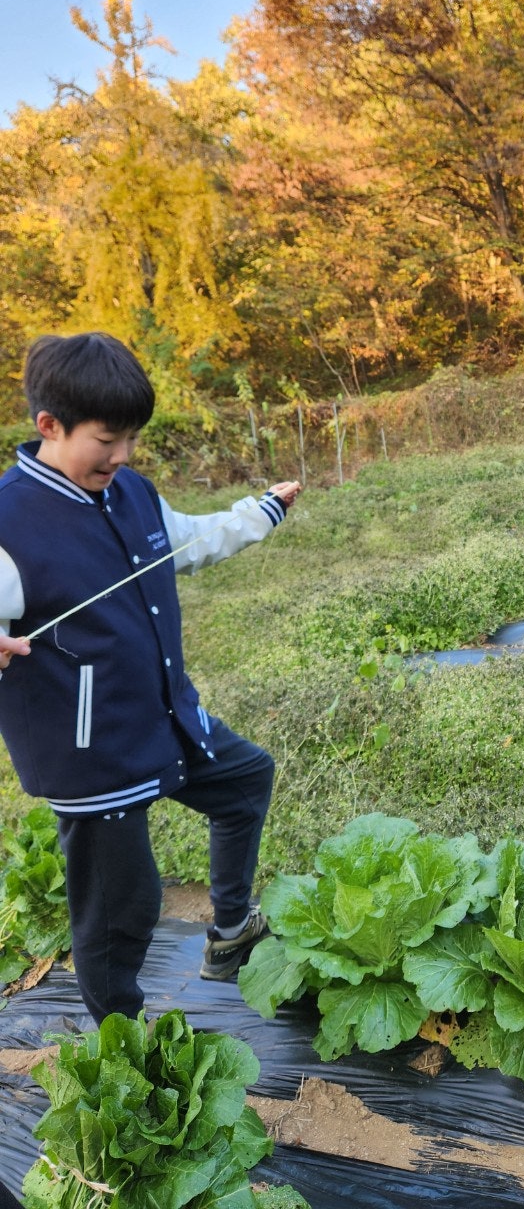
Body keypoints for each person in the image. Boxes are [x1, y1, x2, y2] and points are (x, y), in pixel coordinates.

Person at [0, 332, 302, 1025]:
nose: (124, 455)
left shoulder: (129, 491)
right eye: (108, 440)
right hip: (91, 752)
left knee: (245, 779)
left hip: (163, 716)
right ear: (50, 426)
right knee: (121, 913)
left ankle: (229, 935)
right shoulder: (9, 522)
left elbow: (187, 541)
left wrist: (261, 513)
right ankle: (122, 1046)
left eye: (132, 438)